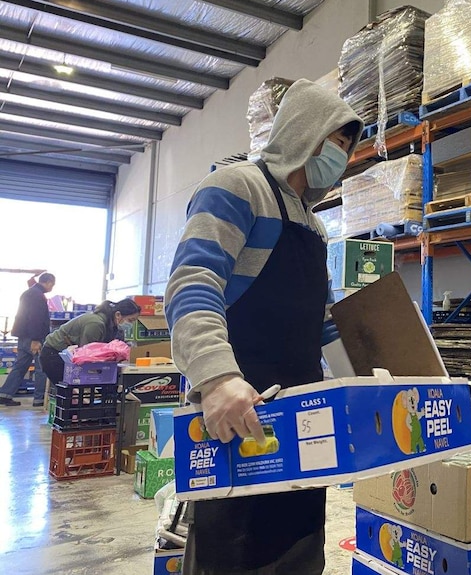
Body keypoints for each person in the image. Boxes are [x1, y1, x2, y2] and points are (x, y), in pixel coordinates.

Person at [165, 79, 363, 575]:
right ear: (303, 132)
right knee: (232, 548)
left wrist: (363, 385)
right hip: (237, 411)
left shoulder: (313, 224)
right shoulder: (237, 187)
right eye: (334, 141)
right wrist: (215, 378)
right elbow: (193, 283)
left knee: (296, 547)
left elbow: (322, 320)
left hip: (301, 420)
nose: (340, 155)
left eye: (346, 146)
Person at [41, 299, 141, 387]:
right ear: (118, 315)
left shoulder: (113, 327)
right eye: (130, 320)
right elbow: (86, 355)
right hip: (54, 355)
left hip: (70, 357)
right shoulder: (96, 324)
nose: (131, 324)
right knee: (72, 394)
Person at [0, 273, 55, 407]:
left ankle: (5, 394)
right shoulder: (37, 295)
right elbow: (35, 318)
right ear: (47, 282)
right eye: (52, 285)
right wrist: (35, 339)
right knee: (41, 368)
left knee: (20, 366)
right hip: (33, 337)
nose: (52, 288)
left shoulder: (29, 293)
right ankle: (39, 399)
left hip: (24, 336)